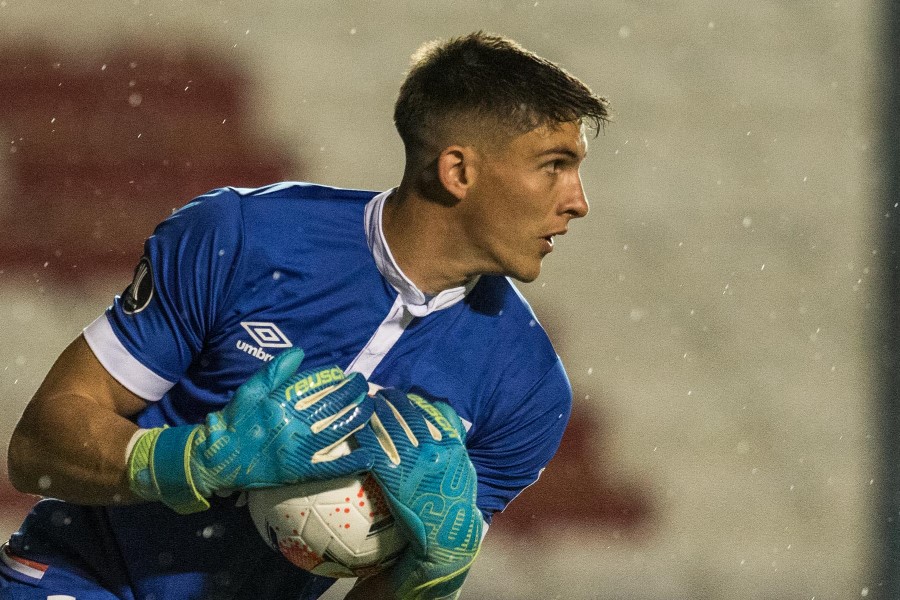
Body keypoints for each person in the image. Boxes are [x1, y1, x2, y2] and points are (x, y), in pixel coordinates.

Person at [2, 31, 609, 599]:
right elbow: (35, 450)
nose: (578, 202)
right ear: (458, 171)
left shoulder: (529, 390)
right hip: (76, 576)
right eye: (555, 165)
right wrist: (193, 460)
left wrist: (430, 574)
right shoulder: (243, 237)